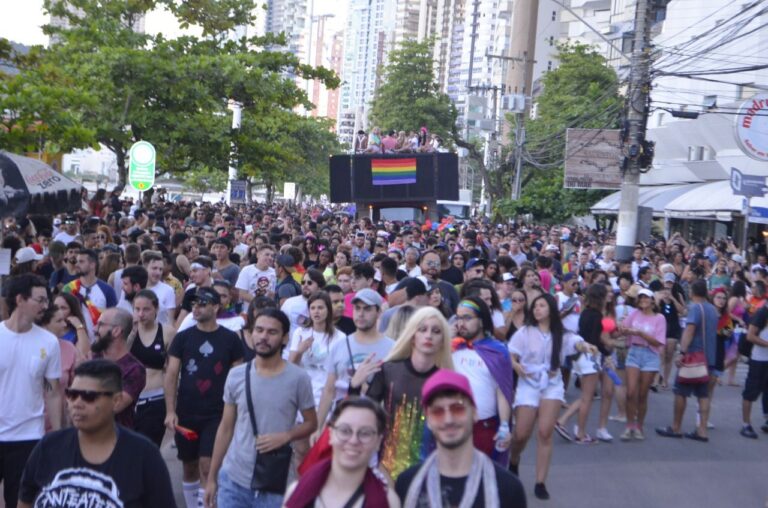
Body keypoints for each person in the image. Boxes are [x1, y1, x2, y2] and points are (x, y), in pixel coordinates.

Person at [18, 359, 176, 508]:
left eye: (89, 396)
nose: (77, 404)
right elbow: (25, 501)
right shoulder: (49, 447)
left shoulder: (144, 456)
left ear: (116, 400)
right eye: (72, 394)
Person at [204, 308, 316, 508]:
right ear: (251, 333)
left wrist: (286, 436)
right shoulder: (236, 375)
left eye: (272, 332)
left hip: (273, 483)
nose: (264, 337)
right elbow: (226, 427)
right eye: (259, 330)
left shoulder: (298, 378)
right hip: (233, 479)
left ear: (284, 338)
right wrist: (212, 478)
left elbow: (311, 423)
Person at [508, 293, 598, 500]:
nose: (537, 309)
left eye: (541, 306)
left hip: (552, 384)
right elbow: (511, 353)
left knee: (545, 432)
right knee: (521, 433)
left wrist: (586, 347)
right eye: (535, 306)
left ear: (550, 309)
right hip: (528, 383)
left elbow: (576, 343)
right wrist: (516, 365)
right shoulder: (525, 332)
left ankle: (540, 481)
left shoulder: (561, 334)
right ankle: (514, 459)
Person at [396, 369, 527, 507]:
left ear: (475, 413)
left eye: (457, 409)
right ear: (428, 420)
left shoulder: (508, 489)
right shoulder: (407, 484)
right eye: (438, 412)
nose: (448, 420)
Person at [349, 307, 454, 478]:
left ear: (442, 341)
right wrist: (354, 387)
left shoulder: (446, 381)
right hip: (386, 466)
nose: (429, 336)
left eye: (436, 331)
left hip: (430, 469)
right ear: (412, 336)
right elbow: (365, 413)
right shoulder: (389, 370)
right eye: (422, 329)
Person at [164, 287, 245, 508]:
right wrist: (170, 411)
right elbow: (171, 375)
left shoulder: (230, 339)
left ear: (216, 307)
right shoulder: (182, 338)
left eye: (202, 303)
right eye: (193, 304)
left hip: (218, 413)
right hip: (186, 411)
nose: (196, 308)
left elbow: (238, 377)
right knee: (189, 465)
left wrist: (237, 413)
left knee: (208, 466)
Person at [0, 274, 62, 508]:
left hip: (29, 436)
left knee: (20, 501)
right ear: (19, 300)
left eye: (47, 301)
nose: (45, 306)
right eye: (40, 300)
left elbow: (54, 392)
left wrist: (57, 436)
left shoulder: (48, 342)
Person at [284, 396, 399, 507]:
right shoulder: (296, 492)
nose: (353, 440)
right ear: (331, 434)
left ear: (378, 442)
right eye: (345, 431)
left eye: (365, 433)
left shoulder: (388, 502)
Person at [314, 289, 395, 441]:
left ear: (378, 312)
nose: (361, 313)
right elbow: (329, 390)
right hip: (344, 424)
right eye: (357, 308)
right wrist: (318, 427)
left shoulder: (393, 348)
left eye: (367, 309)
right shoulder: (340, 345)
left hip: (378, 428)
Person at [451, 296, 515, 463]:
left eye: (467, 317)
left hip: (485, 428)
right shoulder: (451, 348)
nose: (461, 323)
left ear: (481, 321)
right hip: (452, 426)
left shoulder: (498, 351)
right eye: (458, 317)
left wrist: (504, 425)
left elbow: (503, 391)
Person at [656, 279, 717, 442]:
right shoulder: (712, 309)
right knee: (703, 395)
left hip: (693, 356)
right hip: (709, 357)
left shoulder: (695, 309)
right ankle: (702, 430)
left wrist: (682, 352)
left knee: (680, 392)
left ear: (692, 292)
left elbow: (689, 330)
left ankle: (676, 427)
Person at [129, 289, 175, 447]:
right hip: (129, 400)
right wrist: (132, 332)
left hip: (155, 399)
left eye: (146, 309)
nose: (141, 314)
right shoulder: (128, 331)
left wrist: (171, 410)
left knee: (149, 450)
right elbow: (120, 359)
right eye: (137, 309)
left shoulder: (167, 332)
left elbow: (172, 372)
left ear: (156, 309)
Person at [619, 288, 665, 441]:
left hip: (650, 355)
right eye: (641, 298)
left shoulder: (659, 318)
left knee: (643, 394)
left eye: (646, 298)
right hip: (634, 352)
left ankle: (639, 426)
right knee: (631, 391)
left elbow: (658, 342)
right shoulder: (634, 314)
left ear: (652, 300)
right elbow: (624, 329)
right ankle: (629, 425)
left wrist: (639, 333)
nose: (643, 301)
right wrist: (622, 329)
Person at [90, 307, 147, 430]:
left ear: (116, 331)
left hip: (116, 440)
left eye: (100, 324)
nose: (95, 329)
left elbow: (114, 406)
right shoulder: (93, 359)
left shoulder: (134, 369)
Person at [740, 291, 768, 439]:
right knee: (750, 393)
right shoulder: (762, 313)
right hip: (759, 360)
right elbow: (750, 336)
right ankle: (746, 425)